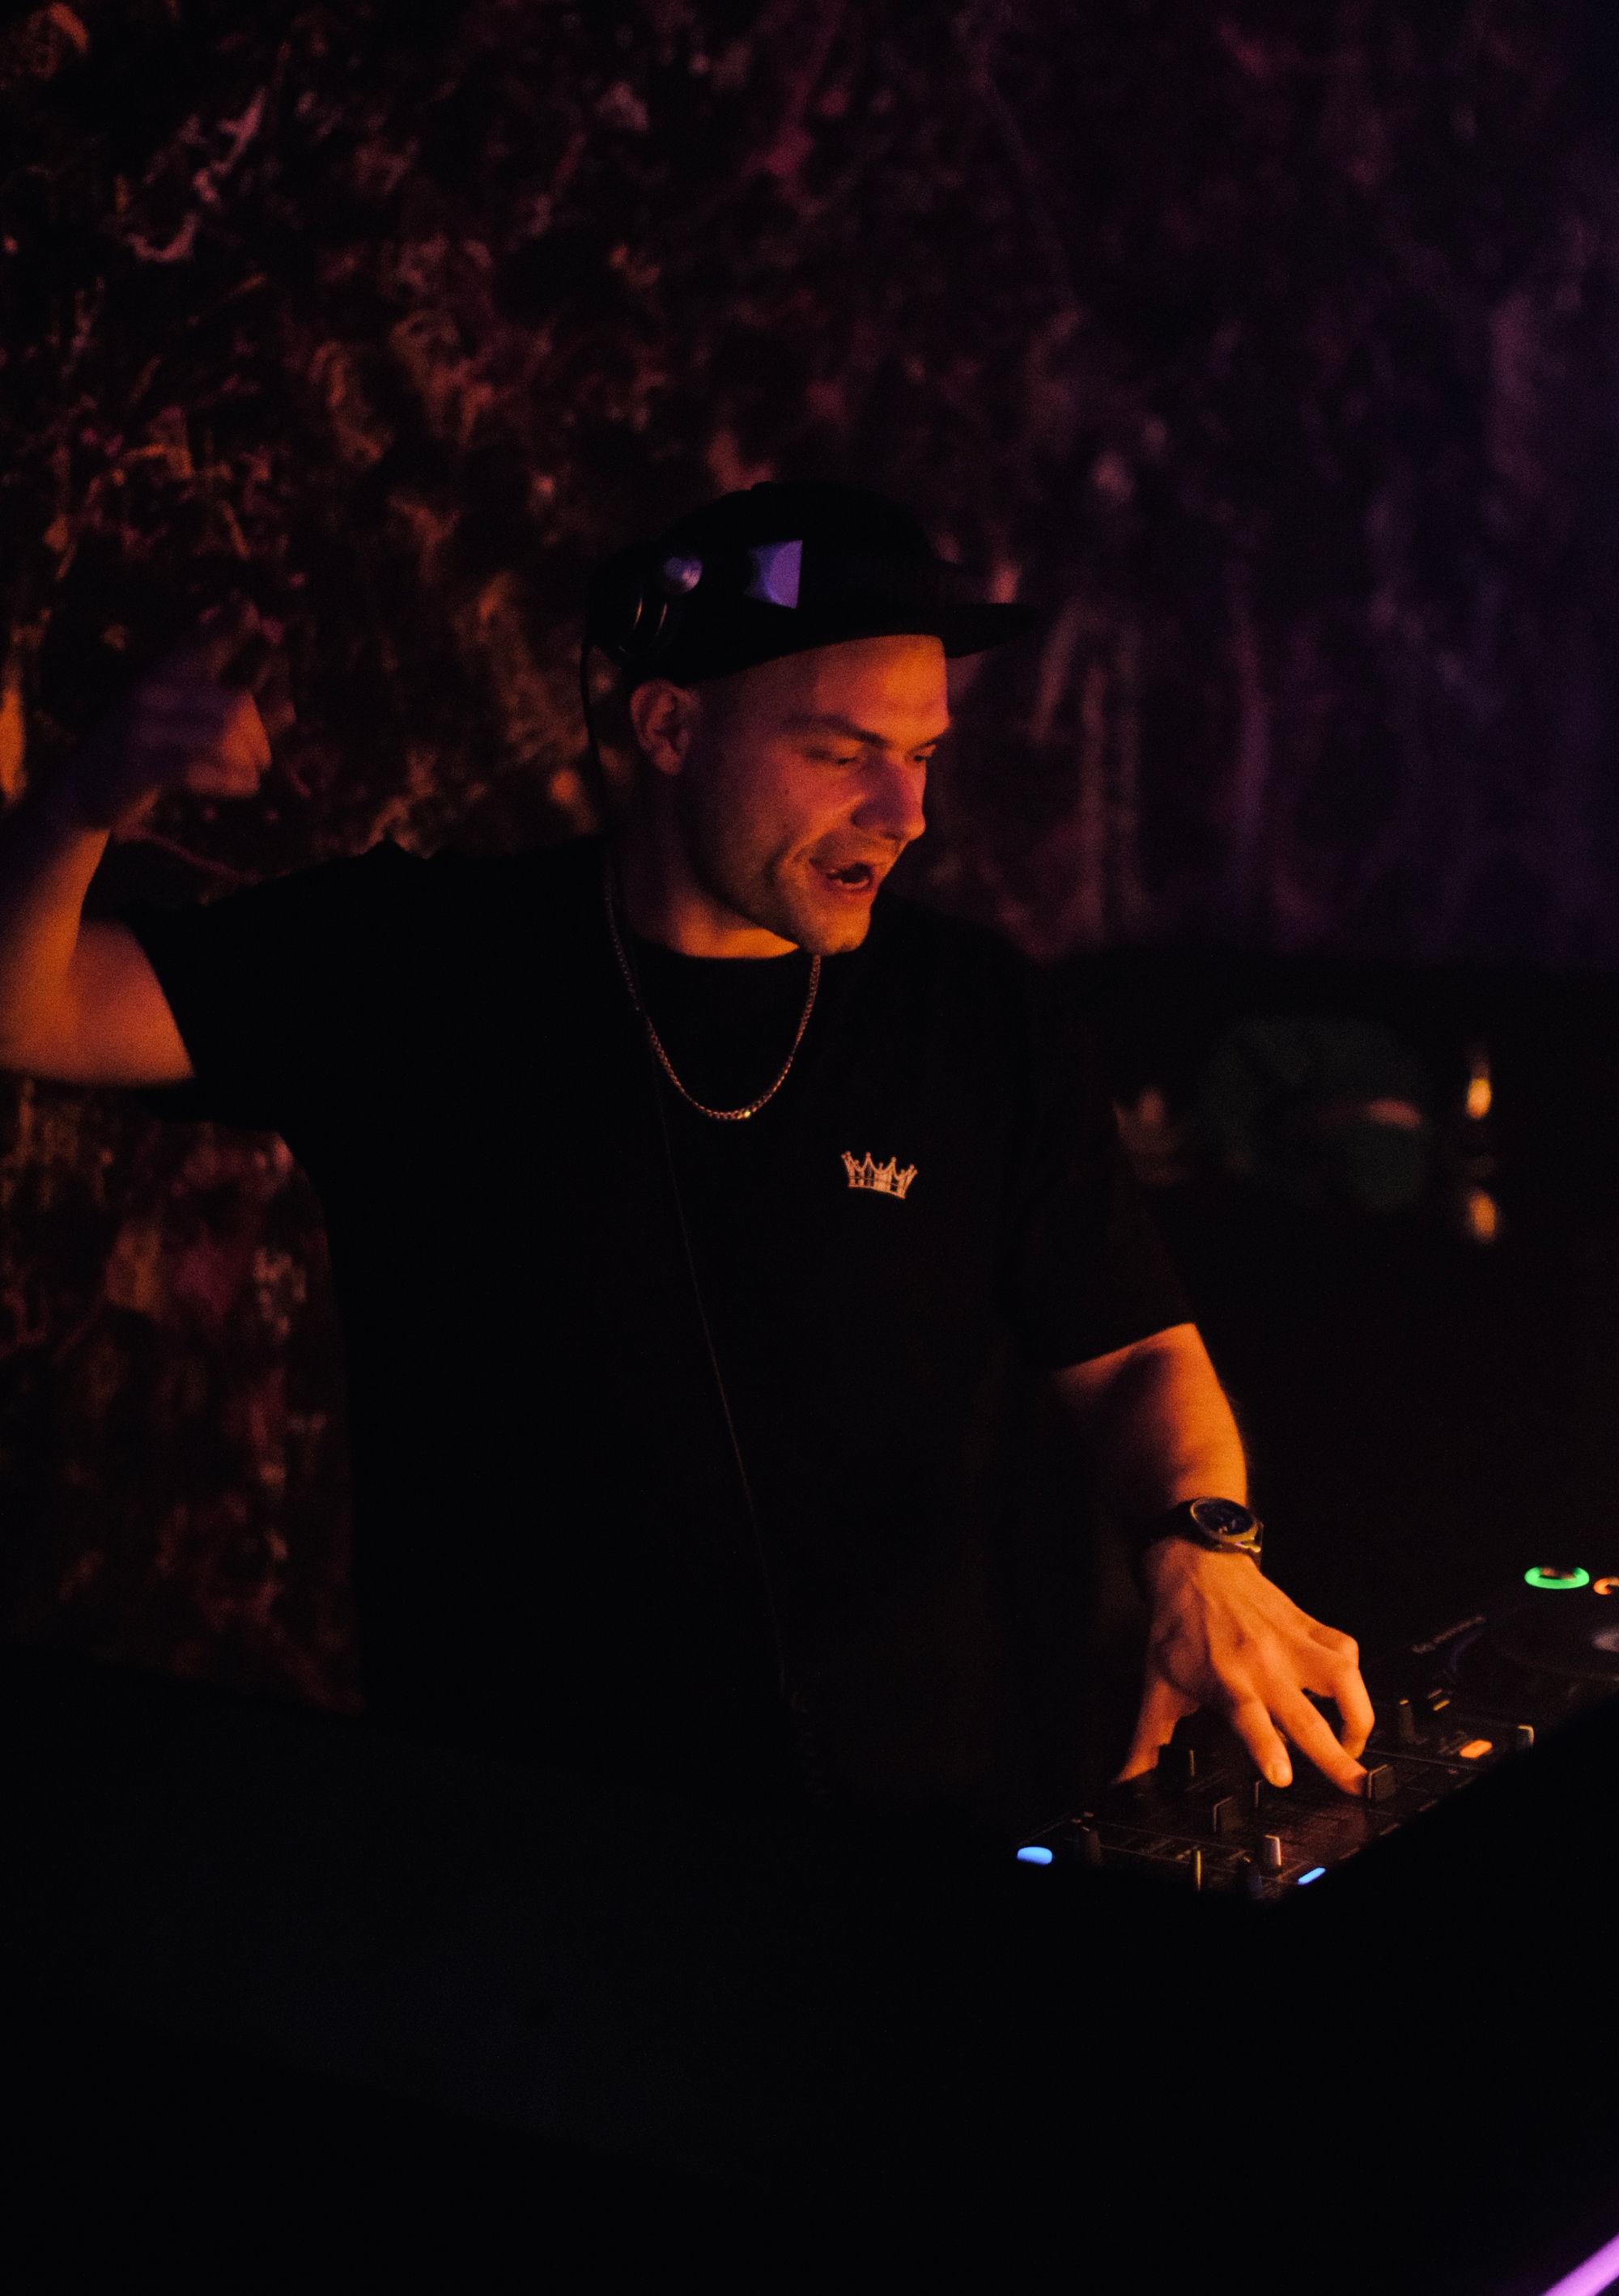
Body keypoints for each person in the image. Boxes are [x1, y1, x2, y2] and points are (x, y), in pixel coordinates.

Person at [0, 481, 1372, 1823]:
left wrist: (1204, 1545)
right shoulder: (419, 965)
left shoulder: (977, 1017)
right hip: (517, 1858)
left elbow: (1133, 1351)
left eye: (924, 754)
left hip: (926, 1830)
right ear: (667, 725)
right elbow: (34, 1007)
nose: (905, 811)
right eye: (844, 752)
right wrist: (83, 804)